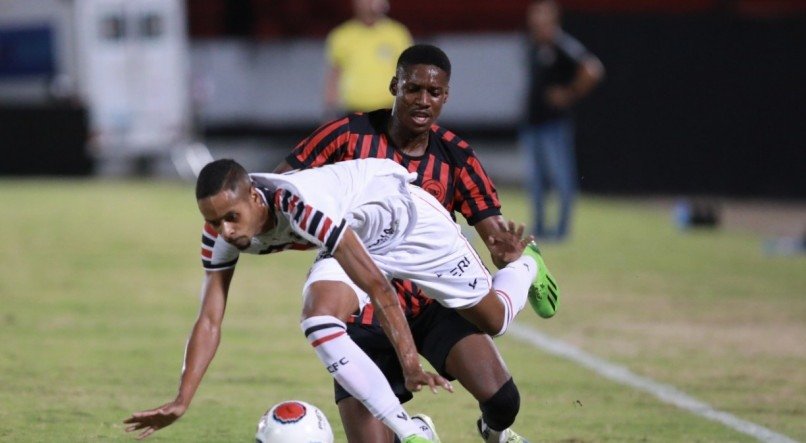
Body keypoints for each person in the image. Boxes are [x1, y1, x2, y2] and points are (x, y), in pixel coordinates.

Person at [122, 157, 553, 442]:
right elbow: (210, 319)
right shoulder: (220, 235)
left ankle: (527, 266)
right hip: (352, 236)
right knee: (317, 318)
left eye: (231, 217)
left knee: (494, 318)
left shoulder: (303, 207)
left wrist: (409, 364)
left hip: (408, 225)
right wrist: (183, 398)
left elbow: (381, 289)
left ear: (255, 197)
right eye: (213, 221)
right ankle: (411, 432)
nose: (226, 231)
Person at [275, 44, 559, 442]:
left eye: (434, 92)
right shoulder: (346, 136)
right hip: (363, 305)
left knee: (504, 401)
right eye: (413, 89)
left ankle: (495, 433)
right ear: (395, 86)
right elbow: (281, 186)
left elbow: (492, 230)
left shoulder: (456, 157)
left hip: (430, 303)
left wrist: (505, 253)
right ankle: (418, 430)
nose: (423, 100)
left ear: (446, 97)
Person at [521, 0, 604, 241]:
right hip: (532, 123)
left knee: (561, 178)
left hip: (553, 124)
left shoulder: (561, 44)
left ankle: (561, 231)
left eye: (541, 16)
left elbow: (593, 69)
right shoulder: (534, 44)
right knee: (536, 183)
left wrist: (569, 93)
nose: (535, 21)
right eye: (534, 16)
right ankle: (540, 229)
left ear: (553, 19)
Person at [323, 0, 412, 118]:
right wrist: (329, 112)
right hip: (353, 111)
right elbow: (334, 76)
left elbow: (409, 73)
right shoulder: (341, 35)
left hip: (390, 110)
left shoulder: (398, 34)